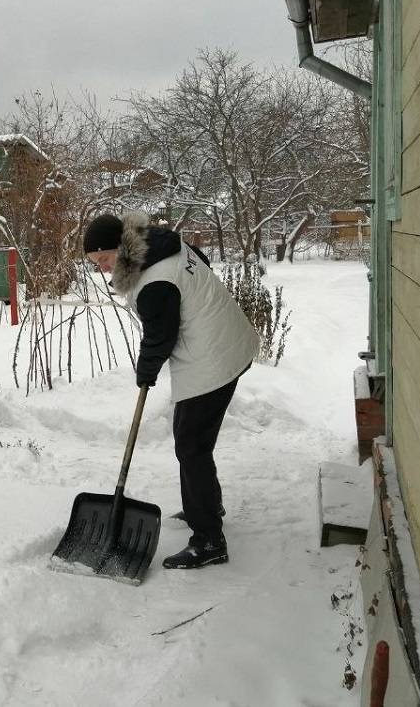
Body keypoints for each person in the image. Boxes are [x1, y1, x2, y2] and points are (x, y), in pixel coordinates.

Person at [83, 210, 259, 569]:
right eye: (95, 263)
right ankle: (207, 503)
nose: (101, 268)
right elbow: (201, 262)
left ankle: (209, 540)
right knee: (194, 441)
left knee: (190, 446)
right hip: (224, 341)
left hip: (212, 358)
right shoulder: (160, 246)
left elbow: (160, 336)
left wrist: (145, 372)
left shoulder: (154, 281)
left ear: (120, 247)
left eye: (103, 258)